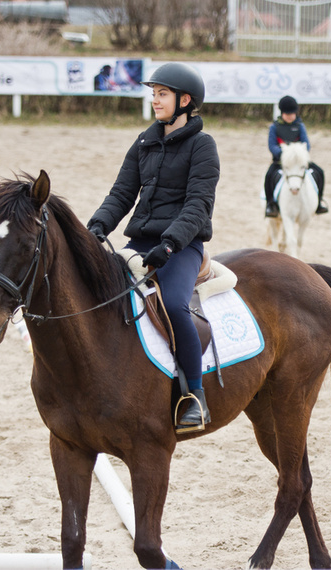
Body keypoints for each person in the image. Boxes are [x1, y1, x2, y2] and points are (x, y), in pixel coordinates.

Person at [86, 62, 220, 430]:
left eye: (162, 94)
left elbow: (198, 205)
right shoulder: (145, 141)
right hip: (139, 242)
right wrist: (97, 225)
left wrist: (170, 244)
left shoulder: (203, 146)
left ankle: (195, 396)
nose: (155, 100)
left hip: (182, 245)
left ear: (185, 100)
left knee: (175, 306)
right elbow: (122, 192)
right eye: (154, 93)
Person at [264, 95, 327, 217]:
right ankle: (270, 204)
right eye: (287, 114)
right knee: (269, 176)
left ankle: (319, 201)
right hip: (281, 162)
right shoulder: (274, 127)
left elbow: (306, 144)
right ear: (282, 113)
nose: (290, 116)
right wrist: (284, 154)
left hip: (299, 161)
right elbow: (272, 146)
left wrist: (298, 153)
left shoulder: (300, 126)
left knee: (320, 172)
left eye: (292, 113)